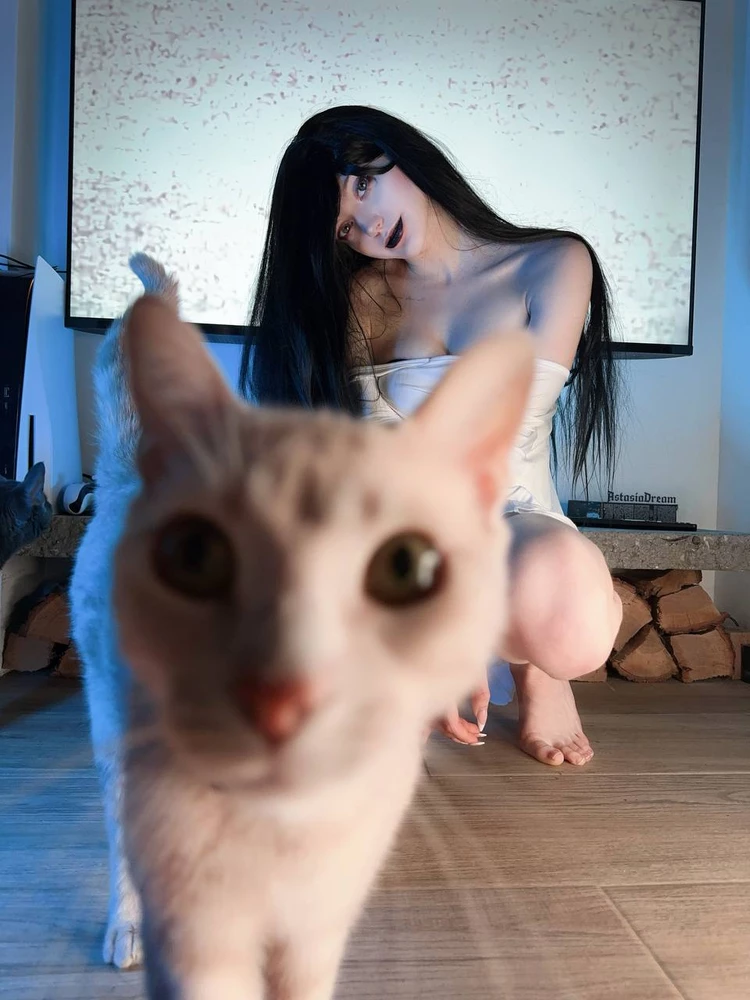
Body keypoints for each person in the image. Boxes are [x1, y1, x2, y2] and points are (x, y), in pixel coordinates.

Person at [240, 105, 623, 766]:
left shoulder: (555, 262)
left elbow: (506, 435)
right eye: (344, 227)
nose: (367, 225)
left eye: (363, 185)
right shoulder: (355, 298)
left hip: (509, 518)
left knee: (572, 622)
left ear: (403, 153)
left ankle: (539, 673)